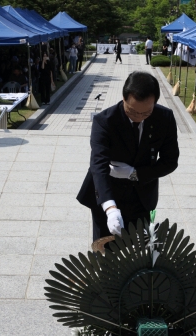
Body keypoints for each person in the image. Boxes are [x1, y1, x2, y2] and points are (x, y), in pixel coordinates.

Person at [77, 71, 180, 241]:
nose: (139, 118)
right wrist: (110, 208)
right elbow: (98, 165)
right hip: (108, 194)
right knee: (106, 253)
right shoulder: (105, 121)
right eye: (132, 112)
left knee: (139, 253)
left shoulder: (164, 118)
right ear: (123, 98)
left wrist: (135, 173)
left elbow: (170, 162)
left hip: (142, 196)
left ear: (154, 102)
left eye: (146, 113)